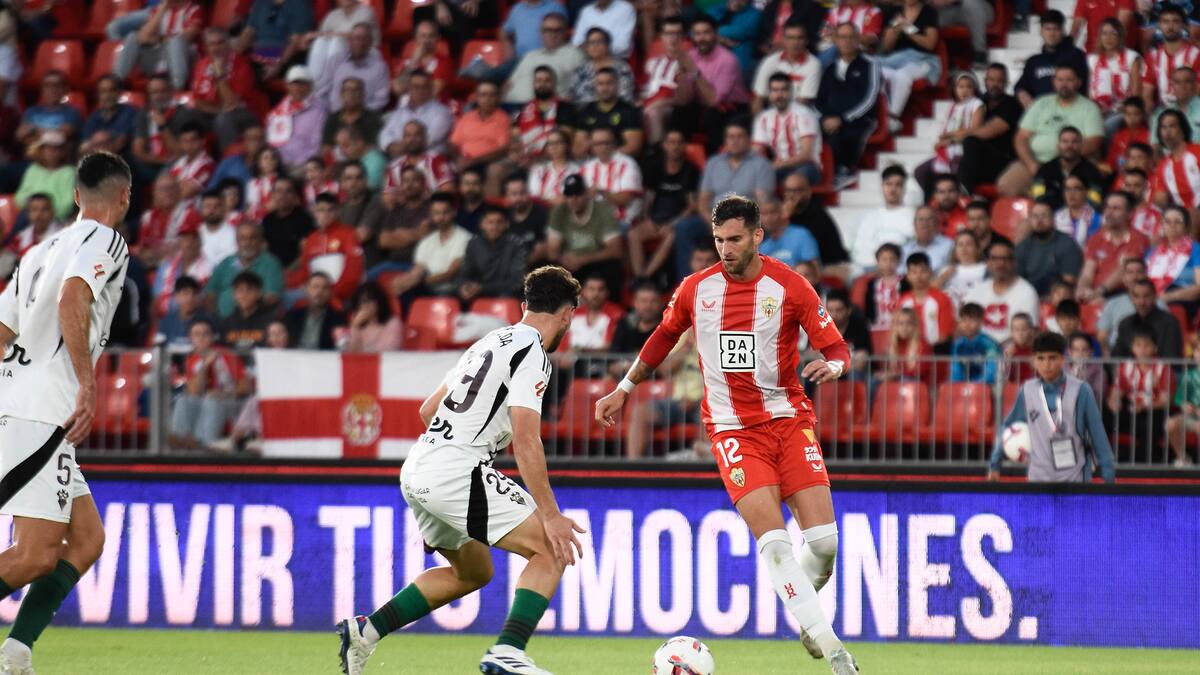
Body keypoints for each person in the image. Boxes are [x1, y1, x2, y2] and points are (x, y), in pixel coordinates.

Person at [594, 196, 859, 675]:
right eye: (719, 240)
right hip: (733, 430)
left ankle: (807, 616)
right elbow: (661, 336)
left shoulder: (790, 286)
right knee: (775, 545)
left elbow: (836, 345)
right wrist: (624, 388)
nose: (726, 249)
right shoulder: (697, 289)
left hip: (788, 421)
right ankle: (834, 650)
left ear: (758, 236)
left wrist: (835, 366)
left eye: (735, 239)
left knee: (824, 544)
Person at [338, 266, 585, 675]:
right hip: (456, 471)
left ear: (524, 306)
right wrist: (551, 515)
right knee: (550, 547)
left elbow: (428, 410)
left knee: (472, 572)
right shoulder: (533, 354)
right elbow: (527, 440)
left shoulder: (487, 343)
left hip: (419, 467)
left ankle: (366, 631)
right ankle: (508, 651)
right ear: (567, 314)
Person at [0, 152, 131, 674]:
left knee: (87, 539)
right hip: (42, 412)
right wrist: (88, 385)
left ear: (75, 195)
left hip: (21, 406)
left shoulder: (39, 249)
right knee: (35, 555)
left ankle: (16, 652)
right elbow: (74, 297)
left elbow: (2, 329)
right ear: (124, 197)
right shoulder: (107, 240)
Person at [987, 331, 1114, 482]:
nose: (1046, 364)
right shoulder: (1027, 391)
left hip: (1075, 479)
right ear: (1034, 361)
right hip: (1038, 479)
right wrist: (994, 465)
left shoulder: (1081, 390)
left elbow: (1098, 435)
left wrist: (1109, 476)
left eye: (1052, 358)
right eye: (1041, 358)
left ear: (1062, 359)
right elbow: (1008, 427)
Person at [999, 65, 1103, 198]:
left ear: (1079, 82)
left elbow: (1094, 142)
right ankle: (1042, 201)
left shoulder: (1089, 108)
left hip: (1073, 164)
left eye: (1069, 80)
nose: (1064, 84)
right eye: (1060, 80)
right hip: (1036, 162)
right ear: (1054, 82)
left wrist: (1059, 164)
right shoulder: (1040, 103)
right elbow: (1021, 137)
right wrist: (1031, 164)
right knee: (1006, 185)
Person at [815, 22, 881, 189]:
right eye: (842, 37)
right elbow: (819, 99)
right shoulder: (829, 67)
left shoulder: (870, 64)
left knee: (847, 133)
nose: (847, 41)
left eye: (851, 37)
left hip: (859, 119)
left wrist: (843, 119)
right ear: (835, 40)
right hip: (830, 119)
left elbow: (870, 98)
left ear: (858, 39)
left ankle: (843, 170)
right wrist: (825, 118)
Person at [630, 129, 698, 281]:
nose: (675, 146)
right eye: (671, 142)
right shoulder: (655, 167)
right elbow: (649, 197)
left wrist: (673, 223)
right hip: (655, 218)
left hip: (675, 221)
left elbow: (692, 205)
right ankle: (638, 275)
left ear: (684, 146)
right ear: (664, 145)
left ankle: (645, 277)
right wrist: (647, 218)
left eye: (679, 143)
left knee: (671, 236)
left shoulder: (691, 170)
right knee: (633, 234)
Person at [546, 174, 624, 297]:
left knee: (612, 266)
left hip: (595, 262)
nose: (573, 199)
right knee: (546, 268)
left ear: (586, 194)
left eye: (578, 194)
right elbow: (552, 251)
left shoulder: (602, 210)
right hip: (568, 262)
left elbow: (615, 250)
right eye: (569, 195)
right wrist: (563, 259)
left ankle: (613, 305)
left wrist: (582, 259)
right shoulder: (559, 211)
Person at [1108, 329, 1173, 460]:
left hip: (1154, 411)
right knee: (1104, 418)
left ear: (1155, 348)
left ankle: (1144, 464)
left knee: (1149, 424)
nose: (1142, 350)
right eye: (1138, 345)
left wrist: (1144, 407)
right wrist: (1115, 403)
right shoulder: (1126, 366)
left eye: (1147, 345)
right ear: (1132, 348)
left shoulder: (1163, 368)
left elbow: (1165, 401)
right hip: (1131, 409)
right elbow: (1116, 393)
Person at [391, 192, 472, 298]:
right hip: (429, 289)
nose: (441, 217)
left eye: (445, 212)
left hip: (453, 291)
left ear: (454, 212)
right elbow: (419, 269)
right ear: (431, 215)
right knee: (403, 291)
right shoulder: (426, 242)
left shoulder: (465, 238)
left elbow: (450, 274)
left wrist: (419, 282)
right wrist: (407, 280)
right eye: (436, 213)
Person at [877, 0, 941, 134]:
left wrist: (908, 30)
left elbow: (930, 44)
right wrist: (894, 31)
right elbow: (887, 46)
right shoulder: (894, 12)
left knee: (902, 76)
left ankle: (893, 117)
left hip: (921, 59)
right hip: (895, 60)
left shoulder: (928, 11)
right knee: (876, 72)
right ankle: (884, 114)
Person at [958, 63, 1023, 194]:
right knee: (923, 171)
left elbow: (986, 133)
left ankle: (965, 192)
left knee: (971, 142)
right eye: (991, 80)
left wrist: (951, 138)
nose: (995, 84)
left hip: (1003, 162)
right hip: (976, 158)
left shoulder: (1012, 105)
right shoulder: (979, 102)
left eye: (999, 81)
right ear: (985, 81)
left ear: (1006, 83)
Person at [291, 193, 364, 306]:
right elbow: (305, 270)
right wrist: (307, 288)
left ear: (338, 211)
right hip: (315, 294)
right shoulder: (311, 239)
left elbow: (353, 269)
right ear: (314, 212)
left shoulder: (348, 234)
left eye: (330, 210)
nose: (325, 214)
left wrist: (332, 293)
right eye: (321, 210)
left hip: (342, 295)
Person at [917, 71, 984, 195]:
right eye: (961, 86)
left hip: (965, 150)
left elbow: (975, 130)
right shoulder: (954, 106)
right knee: (921, 172)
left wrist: (950, 138)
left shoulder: (977, 104)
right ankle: (934, 200)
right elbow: (946, 131)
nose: (964, 90)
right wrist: (942, 141)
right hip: (949, 148)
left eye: (968, 86)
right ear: (955, 89)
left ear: (974, 89)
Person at [1077, 192, 1149, 303]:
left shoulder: (1138, 239)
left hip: (1123, 293)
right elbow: (1087, 273)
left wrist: (1099, 292)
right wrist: (1082, 289)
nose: (1109, 213)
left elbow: (1123, 271)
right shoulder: (1096, 238)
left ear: (1130, 214)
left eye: (1116, 209)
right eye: (1107, 208)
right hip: (1095, 294)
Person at [113, 0, 202, 91]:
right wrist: (162, 9)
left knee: (175, 42)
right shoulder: (158, 10)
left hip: (183, 58)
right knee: (132, 37)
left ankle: (177, 87)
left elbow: (187, 37)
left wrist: (158, 39)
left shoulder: (193, 10)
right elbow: (143, 37)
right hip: (158, 56)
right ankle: (116, 82)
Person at [964, 239, 1041, 344]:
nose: (1000, 263)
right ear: (988, 263)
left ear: (1014, 262)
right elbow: (962, 326)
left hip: (1011, 351)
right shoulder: (976, 291)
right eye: (995, 259)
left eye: (1005, 258)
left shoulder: (1027, 292)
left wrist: (995, 349)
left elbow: (1029, 334)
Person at [753, 73, 822, 185]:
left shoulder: (804, 114)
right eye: (775, 90)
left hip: (807, 166)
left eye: (784, 90)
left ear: (790, 92)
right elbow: (756, 149)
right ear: (769, 94)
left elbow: (806, 154)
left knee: (795, 178)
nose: (779, 95)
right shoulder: (764, 117)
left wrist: (776, 165)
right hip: (781, 167)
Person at [503, 12, 584, 106]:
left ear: (566, 32)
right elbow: (509, 83)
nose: (552, 34)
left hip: (541, 109)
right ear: (541, 33)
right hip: (507, 105)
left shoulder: (574, 54)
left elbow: (583, 85)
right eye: (547, 30)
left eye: (557, 30)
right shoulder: (530, 55)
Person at [206, 222, 285, 319]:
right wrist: (214, 317)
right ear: (237, 241)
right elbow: (210, 293)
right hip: (222, 320)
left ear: (260, 241)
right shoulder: (226, 263)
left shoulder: (271, 263)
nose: (247, 243)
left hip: (255, 320)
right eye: (242, 238)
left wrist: (246, 311)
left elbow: (272, 298)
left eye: (252, 238)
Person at [1014, 10, 1088, 106]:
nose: (1052, 34)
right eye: (1047, 29)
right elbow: (1020, 87)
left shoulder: (1076, 56)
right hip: (1041, 112)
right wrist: (1028, 102)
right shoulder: (1034, 62)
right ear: (1041, 32)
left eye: (1056, 29)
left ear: (1063, 31)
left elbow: (1084, 89)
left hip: (1071, 109)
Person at [849, 166, 914, 274]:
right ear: (882, 186)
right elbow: (859, 248)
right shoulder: (869, 217)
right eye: (888, 184)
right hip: (868, 269)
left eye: (898, 185)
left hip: (901, 271)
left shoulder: (913, 216)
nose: (893, 189)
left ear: (904, 188)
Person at [783, 172, 850, 274]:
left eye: (797, 190)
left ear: (808, 192)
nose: (792, 195)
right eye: (789, 190)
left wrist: (785, 218)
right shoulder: (779, 215)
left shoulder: (818, 215)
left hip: (823, 267)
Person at [457, 206, 528, 302]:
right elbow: (464, 273)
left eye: (499, 222)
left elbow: (517, 281)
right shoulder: (473, 244)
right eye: (490, 222)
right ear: (482, 224)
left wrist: (482, 288)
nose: (494, 227)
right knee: (454, 296)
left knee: (507, 296)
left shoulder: (516, 244)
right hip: (477, 292)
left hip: (506, 294)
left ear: (506, 224)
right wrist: (463, 286)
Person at [1086, 17, 1142, 136]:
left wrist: (1122, 108)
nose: (1108, 38)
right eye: (1104, 33)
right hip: (1099, 110)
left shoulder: (1131, 57)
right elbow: (1091, 92)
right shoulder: (1092, 59)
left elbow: (1136, 92)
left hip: (1124, 110)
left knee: (1106, 127)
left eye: (1113, 33)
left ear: (1120, 36)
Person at [1016, 199, 1084, 295]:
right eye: (1035, 216)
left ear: (1053, 220)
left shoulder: (1067, 243)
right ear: (1030, 220)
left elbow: (1069, 280)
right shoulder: (1023, 246)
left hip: (1057, 296)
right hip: (1028, 295)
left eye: (1044, 216)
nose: (1039, 221)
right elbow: (1016, 280)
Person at [266, 66, 327, 172]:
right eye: (294, 83)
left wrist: (300, 165)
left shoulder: (319, 111)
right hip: (279, 165)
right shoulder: (278, 111)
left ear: (310, 86)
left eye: (302, 84)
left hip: (305, 166)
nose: (298, 88)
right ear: (287, 86)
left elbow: (317, 146)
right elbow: (271, 141)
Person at [752, 18, 821, 113]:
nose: (795, 43)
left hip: (802, 116)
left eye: (800, 38)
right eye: (790, 38)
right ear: (783, 40)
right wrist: (760, 120)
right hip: (773, 115)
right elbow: (758, 98)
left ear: (806, 41)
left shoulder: (813, 64)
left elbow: (803, 102)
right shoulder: (771, 61)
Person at [378, 70, 454, 156]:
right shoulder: (399, 112)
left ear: (431, 89)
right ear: (409, 89)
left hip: (429, 158)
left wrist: (401, 147)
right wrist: (390, 146)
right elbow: (385, 133)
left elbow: (428, 139)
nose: (420, 91)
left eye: (424, 87)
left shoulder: (442, 112)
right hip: (400, 158)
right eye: (416, 87)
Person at [1030, 126, 1105, 212]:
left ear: (1081, 145)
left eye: (1074, 142)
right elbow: (1038, 196)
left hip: (1082, 215)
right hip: (1050, 215)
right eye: (1065, 141)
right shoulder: (1045, 169)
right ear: (1058, 145)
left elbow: (1095, 201)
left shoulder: (1092, 171)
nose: (1069, 146)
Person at [575, 67, 643, 157]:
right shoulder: (587, 110)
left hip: (620, 160)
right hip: (593, 160)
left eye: (609, 83)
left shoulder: (629, 110)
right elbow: (578, 148)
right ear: (595, 86)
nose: (605, 88)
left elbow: (633, 147)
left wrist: (606, 156)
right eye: (600, 84)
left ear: (617, 85)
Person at [1143, 4, 1200, 108]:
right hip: (1162, 112)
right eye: (1166, 22)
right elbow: (1146, 95)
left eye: (1175, 21)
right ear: (1159, 25)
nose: (1170, 27)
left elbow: (1198, 91)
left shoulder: (1196, 55)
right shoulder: (1152, 57)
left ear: (1183, 25)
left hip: (1191, 110)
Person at [1112, 278, 1183, 358]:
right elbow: (1116, 357)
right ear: (1132, 299)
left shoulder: (1170, 323)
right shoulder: (1125, 324)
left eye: (1146, 296)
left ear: (1155, 297)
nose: (1142, 302)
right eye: (1137, 296)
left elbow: (1172, 358)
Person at [898, 251, 955, 349]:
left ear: (930, 272)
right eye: (914, 272)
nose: (918, 276)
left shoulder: (942, 299)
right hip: (908, 352)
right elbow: (897, 332)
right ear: (907, 276)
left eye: (923, 271)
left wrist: (925, 350)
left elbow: (945, 335)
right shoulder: (902, 301)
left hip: (937, 352)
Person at [1147, 205, 1200, 307]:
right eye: (1167, 221)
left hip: (1182, 301)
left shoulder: (1196, 250)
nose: (1172, 225)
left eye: (1178, 222)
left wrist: (1166, 297)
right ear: (1162, 225)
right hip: (1149, 300)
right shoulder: (1152, 252)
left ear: (1186, 227)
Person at [567, 27, 637, 106]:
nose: (595, 46)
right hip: (582, 111)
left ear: (607, 44)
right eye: (591, 43)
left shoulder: (622, 68)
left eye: (599, 42)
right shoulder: (581, 69)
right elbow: (572, 94)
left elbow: (625, 96)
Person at [15, 131, 75, 222]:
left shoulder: (69, 172)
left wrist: (46, 212)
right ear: (41, 150)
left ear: (63, 151)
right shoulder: (33, 169)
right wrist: (34, 208)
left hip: (55, 219)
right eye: (47, 148)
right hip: (29, 215)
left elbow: (67, 203)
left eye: (55, 149)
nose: (51, 152)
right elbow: (20, 196)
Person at [261, 177, 317, 268]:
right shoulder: (267, 220)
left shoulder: (304, 219)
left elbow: (305, 253)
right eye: (279, 191)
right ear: (273, 195)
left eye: (288, 191)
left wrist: (287, 272)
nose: (283, 195)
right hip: (272, 269)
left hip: (296, 270)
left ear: (295, 196)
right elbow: (263, 250)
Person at [284, 272, 347, 350]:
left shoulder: (338, 318)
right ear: (307, 289)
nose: (319, 292)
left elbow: (341, 346)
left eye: (325, 288)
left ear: (330, 292)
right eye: (315, 287)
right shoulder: (292, 315)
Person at [79, 76, 138, 157]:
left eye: (112, 90)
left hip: (121, 160)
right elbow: (83, 147)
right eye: (103, 91)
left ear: (119, 92)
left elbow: (120, 144)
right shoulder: (93, 117)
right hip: (96, 159)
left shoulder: (129, 113)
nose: (108, 96)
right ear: (98, 95)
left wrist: (97, 144)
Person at [219, 271, 276, 350]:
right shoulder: (226, 324)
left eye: (249, 290)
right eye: (240, 290)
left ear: (259, 293)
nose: (244, 295)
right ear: (234, 294)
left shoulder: (271, 321)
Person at [1166, 333, 1200, 466]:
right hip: (1192, 418)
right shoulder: (1189, 375)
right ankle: (1183, 458)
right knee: (1171, 424)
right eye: (1198, 350)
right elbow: (1180, 399)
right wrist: (1185, 405)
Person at [341, 282, 403, 353]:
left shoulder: (393, 323)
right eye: (362, 302)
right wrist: (354, 326)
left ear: (379, 302)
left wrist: (361, 351)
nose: (366, 305)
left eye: (370, 300)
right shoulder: (356, 324)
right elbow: (349, 352)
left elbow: (388, 350)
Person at [759, 199, 820, 268]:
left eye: (773, 213)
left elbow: (814, 270)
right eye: (764, 214)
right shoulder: (763, 247)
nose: (768, 218)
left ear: (782, 213)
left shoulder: (801, 235)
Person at [950, 302, 1000, 383]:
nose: (967, 324)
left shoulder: (989, 344)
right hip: (962, 386)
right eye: (964, 320)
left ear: (980, 322)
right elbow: (955, 370)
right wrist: (958, 385)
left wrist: (975, 385)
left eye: (972, 320)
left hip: (985, 387)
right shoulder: (957, 344)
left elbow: (991, 371)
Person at [935, 230, 987, 307]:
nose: (964, 249)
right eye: (960, 245)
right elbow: (930, 291)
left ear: (977, 248)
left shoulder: (986, 269)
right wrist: (943, 277)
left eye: (969, 244)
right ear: (955, 250)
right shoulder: (946, 270)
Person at [863, 242, 909, 331]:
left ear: (899, 261)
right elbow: (868, 309)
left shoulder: (905, 283)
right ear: (878, 261)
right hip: (876, 327)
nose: (888, 263)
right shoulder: (872, 284)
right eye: (884, 259)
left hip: (900, 328)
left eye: (892, 259)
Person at [880, 307, 933, 382]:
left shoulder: (923, 344)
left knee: (905, 379)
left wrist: (896, 375)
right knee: (875, 380)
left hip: (916, 383)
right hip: (896, 379)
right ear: (895, 326)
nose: (904, 328)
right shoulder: (892, 344)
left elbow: (920, 371)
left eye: (909, 324)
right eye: (900, 324)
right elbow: (887, 370)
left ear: (915, 326)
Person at [156, 275, 209, 349]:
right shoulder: (166, 321)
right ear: (176, 296)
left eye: (194, 293)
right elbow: (158, 347)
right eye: (185, 293)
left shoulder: (207, 320)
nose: (190, 298)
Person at [610, 282, 664, 353]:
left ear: (661, 303)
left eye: (653, 301)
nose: (648, 306)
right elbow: (613, 355)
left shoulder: (666, 329)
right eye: (643, 301)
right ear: (635, 303)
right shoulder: (625, 325)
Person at [572, 0, 637, 59]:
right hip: (587, 59)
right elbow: (576, 42)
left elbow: (622, 46)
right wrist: (594, 48)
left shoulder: (625, 9)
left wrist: (593, 48)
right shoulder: (586, 11)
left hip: (614, 60)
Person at [167, 122, 215, 200]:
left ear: (203, 141)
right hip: (176, 204)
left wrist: (178, 184)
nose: (189, 145)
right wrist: (182, 184)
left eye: (193, 140)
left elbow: (187, 192)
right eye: (185, 141)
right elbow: (168, 186)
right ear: (180, 143)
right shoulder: (180, 162)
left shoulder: (207, 165)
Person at [1052, 174, 1102, 247]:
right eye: (1067, 189)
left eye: (1077, 189)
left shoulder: (1097, 219)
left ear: (1086, 192)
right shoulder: (1055, 217)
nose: (1071, 193)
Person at [901, 206, 953, 273]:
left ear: (937, 223)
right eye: (920, 219)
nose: (925, 223)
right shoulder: (905, 249)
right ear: (914, 225)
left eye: (929, 219)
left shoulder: (950, 245)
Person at [197, 188, 238, 265]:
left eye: (216, 206)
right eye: (208, 206)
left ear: (224, 209)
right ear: (202, 209)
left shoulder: (233, 234)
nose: (212, 210)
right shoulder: (196, 232)